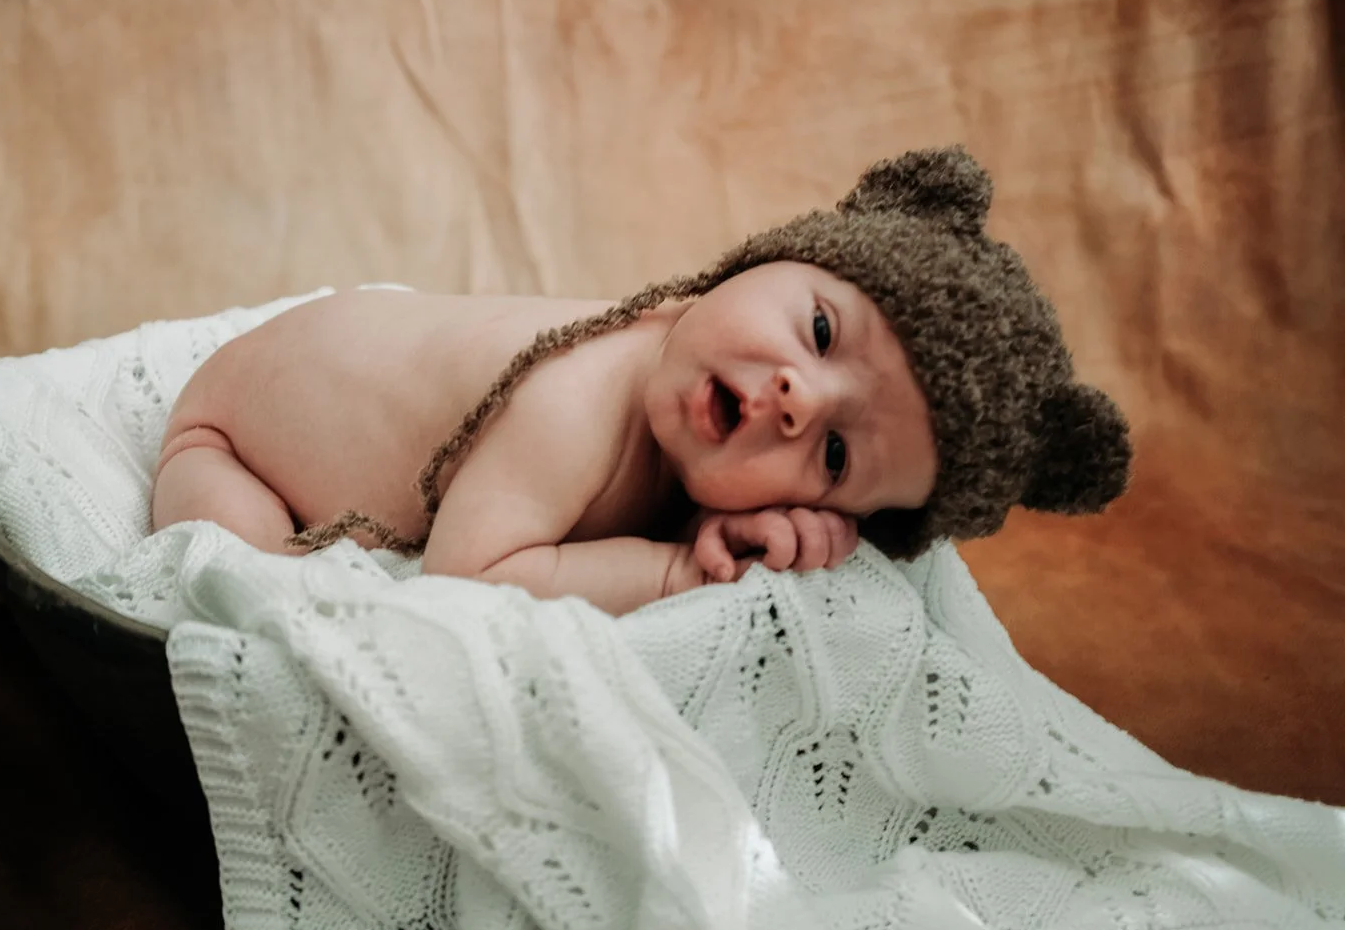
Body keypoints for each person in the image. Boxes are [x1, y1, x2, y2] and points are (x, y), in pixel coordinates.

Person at [150, 146, 1132, 615]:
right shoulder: (575, 401)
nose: (799, 397)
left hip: (350, 360)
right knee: (256, 602)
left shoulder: (692, 423)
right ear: (754, 262)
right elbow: (470, 578)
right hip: (235, 430)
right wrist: (672, 570)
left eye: (834, 453)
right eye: (821, 329)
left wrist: (729, 530)